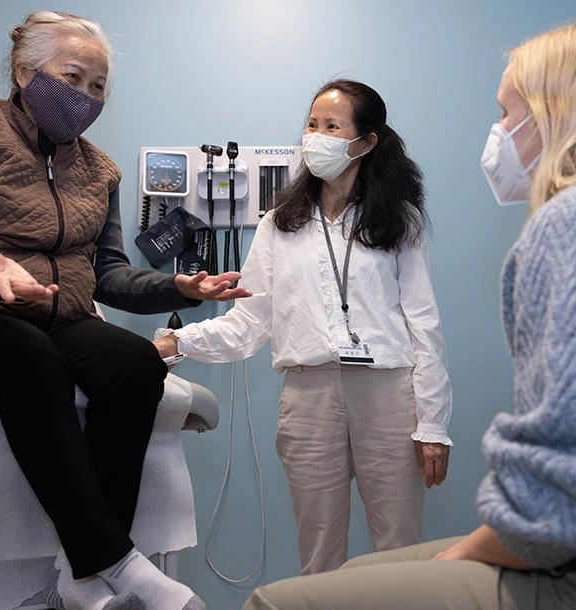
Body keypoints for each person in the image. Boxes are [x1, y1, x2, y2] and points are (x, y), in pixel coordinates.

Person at [238, 20, 576, 610]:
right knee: (359, 570)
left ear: (556, 113)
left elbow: (574, 477)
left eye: (506, 112)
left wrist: (467, 550)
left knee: (280, 602)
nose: (499, 133)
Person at [0, 11, 251, 610]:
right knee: (31, 358)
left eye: (97, 86)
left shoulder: (100, 170)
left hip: (61, 317)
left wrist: (181, 289)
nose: (85, 96)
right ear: (24, 72)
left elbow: (108, 272)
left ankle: (77, 575)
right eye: (72, 77)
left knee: (136, 363)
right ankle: (114, 560)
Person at [153, 79, 453, 575]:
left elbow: (425, 326)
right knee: (318, 553)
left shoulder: (401, 220)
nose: (316, 136)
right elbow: (250, 323)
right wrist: (174, 343)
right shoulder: (279, 224)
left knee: (399, 550)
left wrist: (434, 424)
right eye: (312, 124)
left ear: (366, 142)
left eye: (332, 126)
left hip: (388, 395)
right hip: (309, 397)